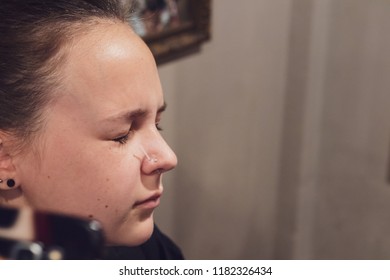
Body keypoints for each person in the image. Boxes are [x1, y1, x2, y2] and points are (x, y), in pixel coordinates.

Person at [0, 0, 182, 259]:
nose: (168, 158)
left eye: (157, 124)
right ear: (4, 157)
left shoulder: (142, 250)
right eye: (123, 134)